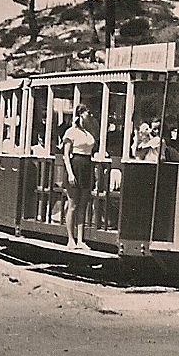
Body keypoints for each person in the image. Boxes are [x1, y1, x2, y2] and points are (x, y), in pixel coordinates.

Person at [60, 107, 98, 249]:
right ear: (81, 114)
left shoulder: (89, 133)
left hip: (87, 166)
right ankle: (70, 239)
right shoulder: (71, 132)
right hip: (76, 166)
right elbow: (66, 155)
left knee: (83, 205)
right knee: (73, 205)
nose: (90, 116)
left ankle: (81, 240)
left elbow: (91, 149)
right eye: (88, 113)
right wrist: (70, 173)